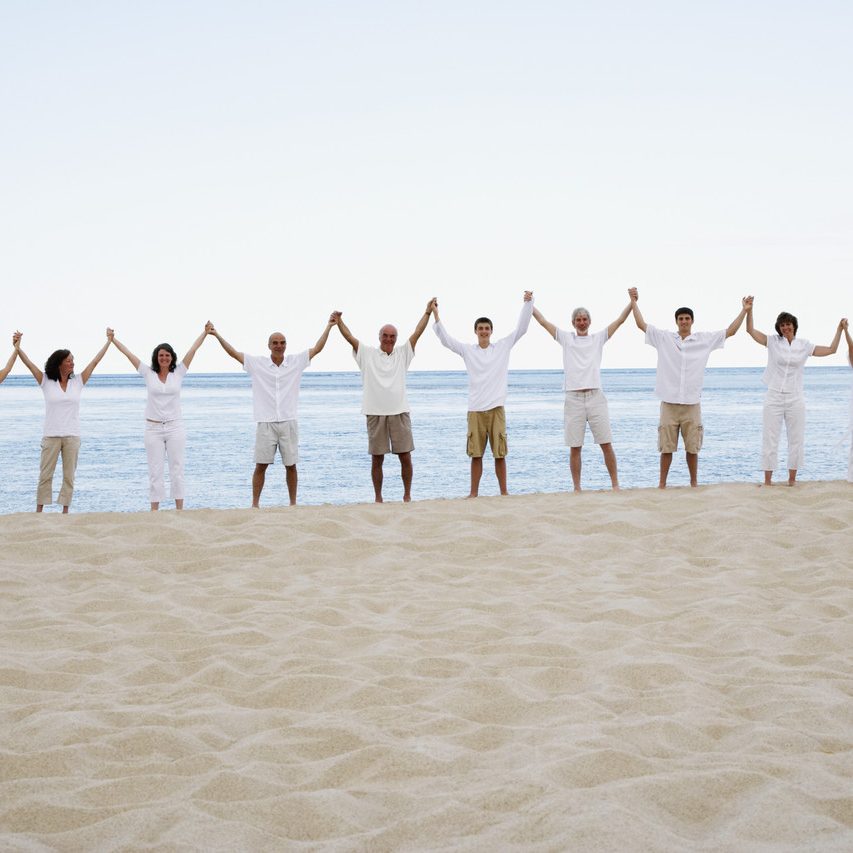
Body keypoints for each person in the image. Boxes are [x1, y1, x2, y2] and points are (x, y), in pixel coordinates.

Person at [629, 288, 750, 488]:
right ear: (676, 321)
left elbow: (731, 331)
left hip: (692, 403)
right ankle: (662, 485)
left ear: (692, 321)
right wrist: (634, 301)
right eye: (681, 319)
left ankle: (694, 483)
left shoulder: (703, 340)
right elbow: (641, 324)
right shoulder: (665, 338)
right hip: (669, 402)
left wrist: (744, 311)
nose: (684, 321)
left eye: (687, 318)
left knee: (692, 448)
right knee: (666, 448)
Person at [208, 316, 335, 507]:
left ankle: (293, 503)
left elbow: (317, 348)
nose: (279, 346)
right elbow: (233, 353)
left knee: (291, 466)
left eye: (282, 343)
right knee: (261, 465)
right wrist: (216, 334)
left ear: (286, 345)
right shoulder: (257, 364)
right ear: (269, 345)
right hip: (265, 422)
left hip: (288, 421)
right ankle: (255, 504)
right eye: (275, 343)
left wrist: (329, 326)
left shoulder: (296, 362)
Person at [332, 299, 437, 502]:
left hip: (399, 411)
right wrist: (338, 321)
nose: (388, 339)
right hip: (375, 412)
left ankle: (407, 495)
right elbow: (349, 338)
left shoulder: (402, 353)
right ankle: (378, 498)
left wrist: (427, 313)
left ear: (396, 339)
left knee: (405, 457)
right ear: (379, 337)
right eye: (385, 336)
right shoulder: (367, 354)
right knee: (377, 459)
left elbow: (417, 333)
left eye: (392, 337)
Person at [433, 292, 534, 497]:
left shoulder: (502, 347)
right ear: (475, 331)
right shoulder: (468, 350)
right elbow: (446, 340)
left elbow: (521, 329)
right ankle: (473, 494)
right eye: (480, 329)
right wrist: (435, 315)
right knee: (476, 455)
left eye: (487, 328)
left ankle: (504, 492)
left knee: (500, 454)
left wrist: (528, 303)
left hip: (496, 408)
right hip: (476, 410)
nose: (484, 332)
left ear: (491, 331)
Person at [532, 298, 632, 490]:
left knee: (606, 443)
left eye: (585, 319)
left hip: (595, 396)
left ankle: (615, 485)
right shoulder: (566, 338)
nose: (582, 322)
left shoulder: (598, 338)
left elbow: (620, 320)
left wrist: (632, 301)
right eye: (578, 319)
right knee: (575, 446)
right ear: (573, 323)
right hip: (573, 398)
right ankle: (577, 487)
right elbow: (543, 321)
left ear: (590, 322)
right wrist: (530, 304)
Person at [109, 326, 211, 510]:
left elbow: (193, 350)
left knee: (177, 469)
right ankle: (154, 509)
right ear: (156, 358)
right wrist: (112, 339)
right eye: (161, 355)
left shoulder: (178, 373)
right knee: (155, 471)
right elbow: (128, 354)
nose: (164, 358)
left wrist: (205, 333)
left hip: (175, 427)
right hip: (153, 428)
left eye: (167, 355)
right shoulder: (148, 373)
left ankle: (180, 508)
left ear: (172, 358)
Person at [745, 299, 845, 486]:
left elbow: (832, 350)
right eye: (782, 325)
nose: (785, 328)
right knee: (770, 438)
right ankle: (768, 481)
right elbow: (750, 331)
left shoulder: (804, 345)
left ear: (794, 326)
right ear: (779, 328)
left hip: (795, 397)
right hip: (774, 395)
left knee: (796, 439)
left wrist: (839, 330)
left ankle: (792, 480)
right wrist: (749, 310)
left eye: (788, 324)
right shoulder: (773, 342)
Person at [14, 329, 112, 512]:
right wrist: (18, 347)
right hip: (51, 435)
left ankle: (65, 511)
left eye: (73, 360)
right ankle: (39, 511)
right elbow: (29, 364)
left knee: (69, 476)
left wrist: (108, 342)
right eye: (69, 360)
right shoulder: (46, 381)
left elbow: (95, 362)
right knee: (45, 475)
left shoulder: (79, 381)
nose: (72, 363)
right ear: (59, 363)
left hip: (72, 436)